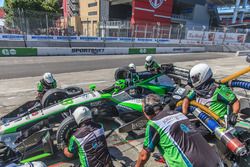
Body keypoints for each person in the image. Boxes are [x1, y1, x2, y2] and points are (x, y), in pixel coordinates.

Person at [135, 94, 223, 167]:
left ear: (148, 110)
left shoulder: (154, 123)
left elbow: (143, 156)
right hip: (215, 160)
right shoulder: (179, 114)